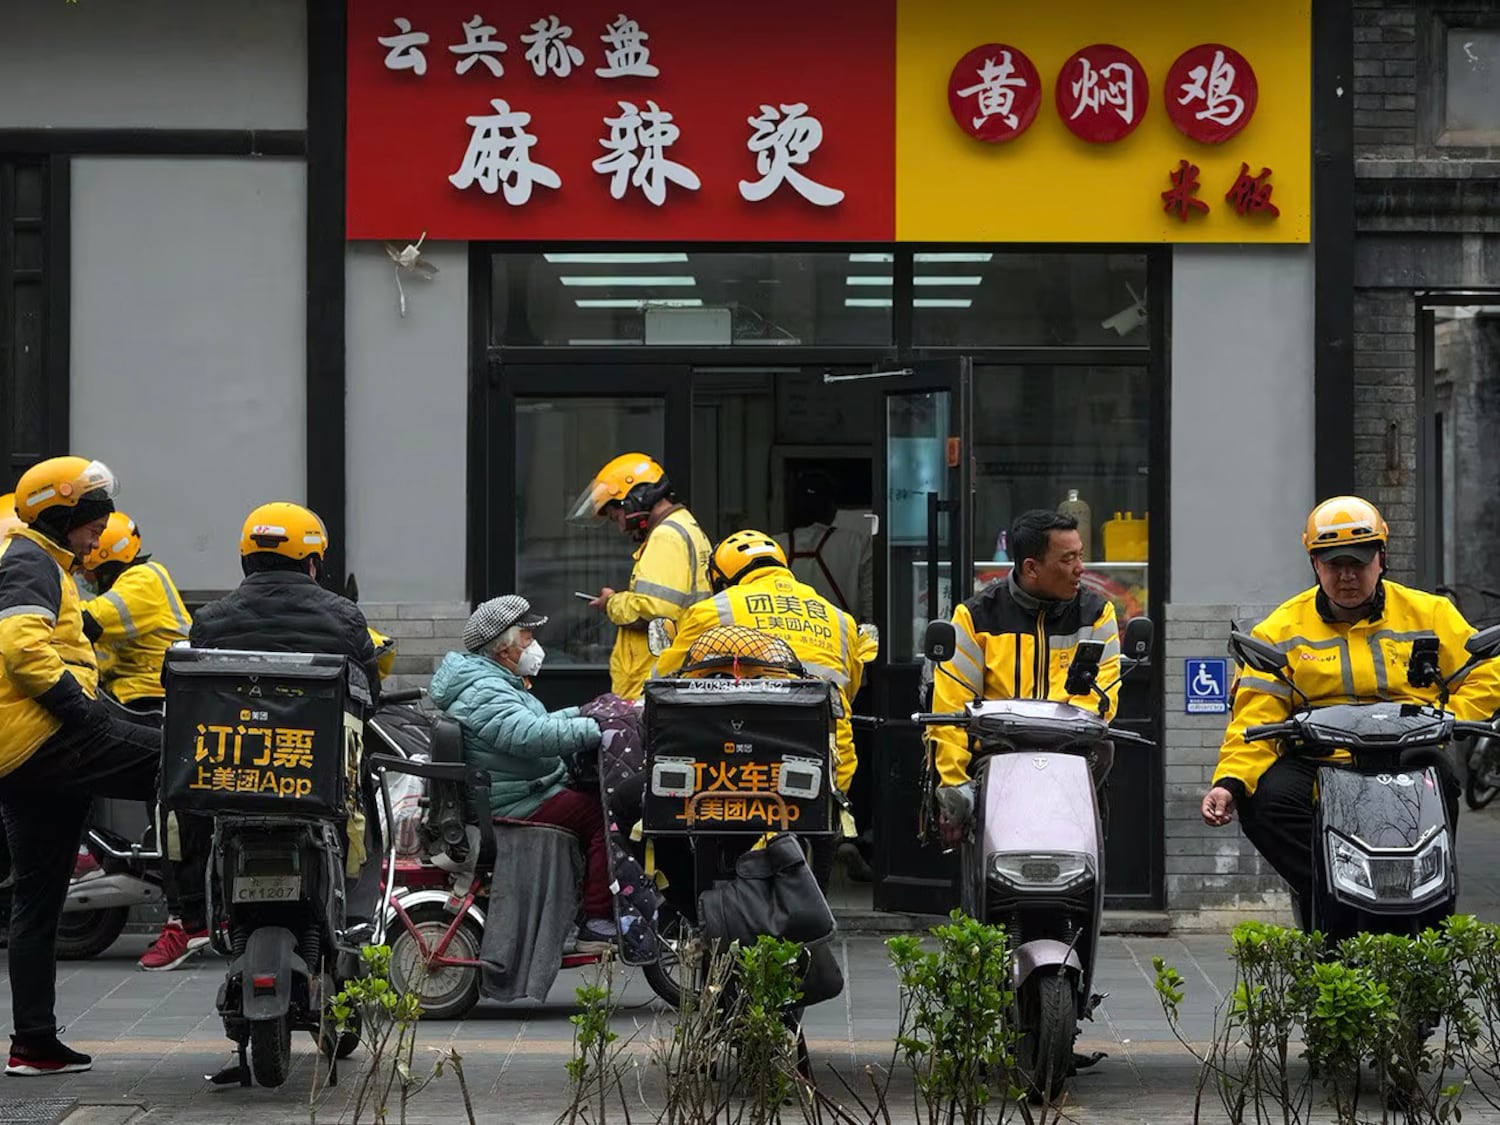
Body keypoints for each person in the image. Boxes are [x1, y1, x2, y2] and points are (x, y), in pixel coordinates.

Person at [1200, 496, 1500, 913]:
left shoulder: (1431, 614)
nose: (1346, 575)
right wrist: (1229, 782)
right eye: (1333, 564)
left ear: (1381, 558)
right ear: (1314, 565)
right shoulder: (1279, 631)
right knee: (1265, 803)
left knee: (1442, 780)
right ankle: (1334, 893)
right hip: (1319, 759)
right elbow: (1254, 714)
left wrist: (1454, 717)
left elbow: (1485, 671)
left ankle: (1432, 900)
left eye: (1358, 563)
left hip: (1405, 755)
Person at [162, 502, 381, 972]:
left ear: (246, 560)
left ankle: (192, 915)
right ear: (313, 562)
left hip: (229, 777)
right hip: (313, 781)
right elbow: (368, 697)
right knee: (367, 790)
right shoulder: (343, 617)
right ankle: (360, 918)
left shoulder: (212, 619)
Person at [0, 457, 161, 1077]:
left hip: (24, 755)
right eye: (93, 521)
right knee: (192, 763)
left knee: (38, 904)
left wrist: (109, 710)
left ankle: (33, 1044)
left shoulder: (47, 562)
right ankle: (198, 915)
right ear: (63, 515)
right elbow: (21, 646)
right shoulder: (29, 560)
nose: (101, 533)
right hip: (45, 737)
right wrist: (81, 710)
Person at [651, 530, 876, 889]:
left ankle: (693, 910)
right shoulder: (840, 620)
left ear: (723, 577)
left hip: (737, 765)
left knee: (646, 810)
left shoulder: (714, 610)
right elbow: (848, 689)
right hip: (829, 764)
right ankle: (806, 908)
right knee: (818, 837)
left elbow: (664, 683)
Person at [427, 595, 617, 952]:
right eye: (528, 637)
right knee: (603, 815)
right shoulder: (486, 690)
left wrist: (587, 712)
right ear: (503, 647)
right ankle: (596, 921)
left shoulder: (491, 680)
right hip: (516, 802)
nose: (535, 646)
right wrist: (599, 731)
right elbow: (531, 736)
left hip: (521, 791)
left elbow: (538, 723)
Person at [930, 510, 1121, 844]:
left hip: (1070, 761)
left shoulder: (1096, 612)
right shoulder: (975, 617)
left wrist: (1059, 743)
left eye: (1080, 556)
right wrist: (953, 783)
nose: (1080, 569)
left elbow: (1102, 694)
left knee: (1104, 750)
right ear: (1031, 567)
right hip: (994, 762)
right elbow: (952, 706)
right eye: (1068, 559)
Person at [74, 512, 200, 969]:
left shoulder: (144, 580)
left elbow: (90, 624)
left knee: (165, 805)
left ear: (106, 555)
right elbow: (95, 654)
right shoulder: (123, 587)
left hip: (159, 703)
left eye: (87, 560)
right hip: (134, 702)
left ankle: (183, 919)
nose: (83, 569)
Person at [569, 454, 712, 701]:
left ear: (637, 497)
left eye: (617, 515)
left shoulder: (666, 536)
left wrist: (611, 603)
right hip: (670, 673)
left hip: (655, 676)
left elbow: (655, 608)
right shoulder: (684, 526)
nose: (622, 526)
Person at [775, 470, 874, 627]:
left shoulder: (774, 547)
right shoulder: (858, 543)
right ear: (832, 508)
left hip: (788, 645)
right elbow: (872, 610)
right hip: (842, 643)